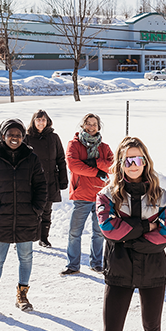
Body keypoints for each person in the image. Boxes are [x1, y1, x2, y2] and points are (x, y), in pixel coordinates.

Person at [90, 137, 166, 331]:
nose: (133, 165)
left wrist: (132, 238)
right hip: (120, 270)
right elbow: (108, 227)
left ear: (146, 162)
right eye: (128, 160)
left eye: (138, 159)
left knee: (152, 328)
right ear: (120, 163)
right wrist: (145, 226)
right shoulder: (107, 195)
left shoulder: (163, 197)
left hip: (153, 269)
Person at [0, 119, 48, 318]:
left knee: (26, 257)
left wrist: (36, 210)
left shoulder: (31, 159)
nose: (14, 138)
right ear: (3, 136)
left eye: (18, 135)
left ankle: (22, 295)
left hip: (27, 218)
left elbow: (42, 186)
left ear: (23, 137)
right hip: (2, 219)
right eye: (10, 134)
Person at [62, 113, 113, 275]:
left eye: (94, 124)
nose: (91, 127)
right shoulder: (74, 145)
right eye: (88, 124)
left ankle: (96, 263)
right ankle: (73, 265)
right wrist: (97, 172)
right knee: (74, 232)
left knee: (98, 232)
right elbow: (74, 165)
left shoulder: (104, 147)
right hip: (82, 194)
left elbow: (113, 165)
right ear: (83, 125)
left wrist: (96, 162)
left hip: (101, 195)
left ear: (99, 127)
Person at [24, 109, 68, 248]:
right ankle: (26, 238)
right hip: (32, 181)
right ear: (33, 121)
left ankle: (44, 238)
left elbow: (61, 159)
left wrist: (63, 178)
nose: (41, 122)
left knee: (46, 211)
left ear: (47, 121)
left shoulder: (54, 137)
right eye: (38, 119)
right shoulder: (27, 138)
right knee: (30, 211)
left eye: (43, 119)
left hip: (50, 180)